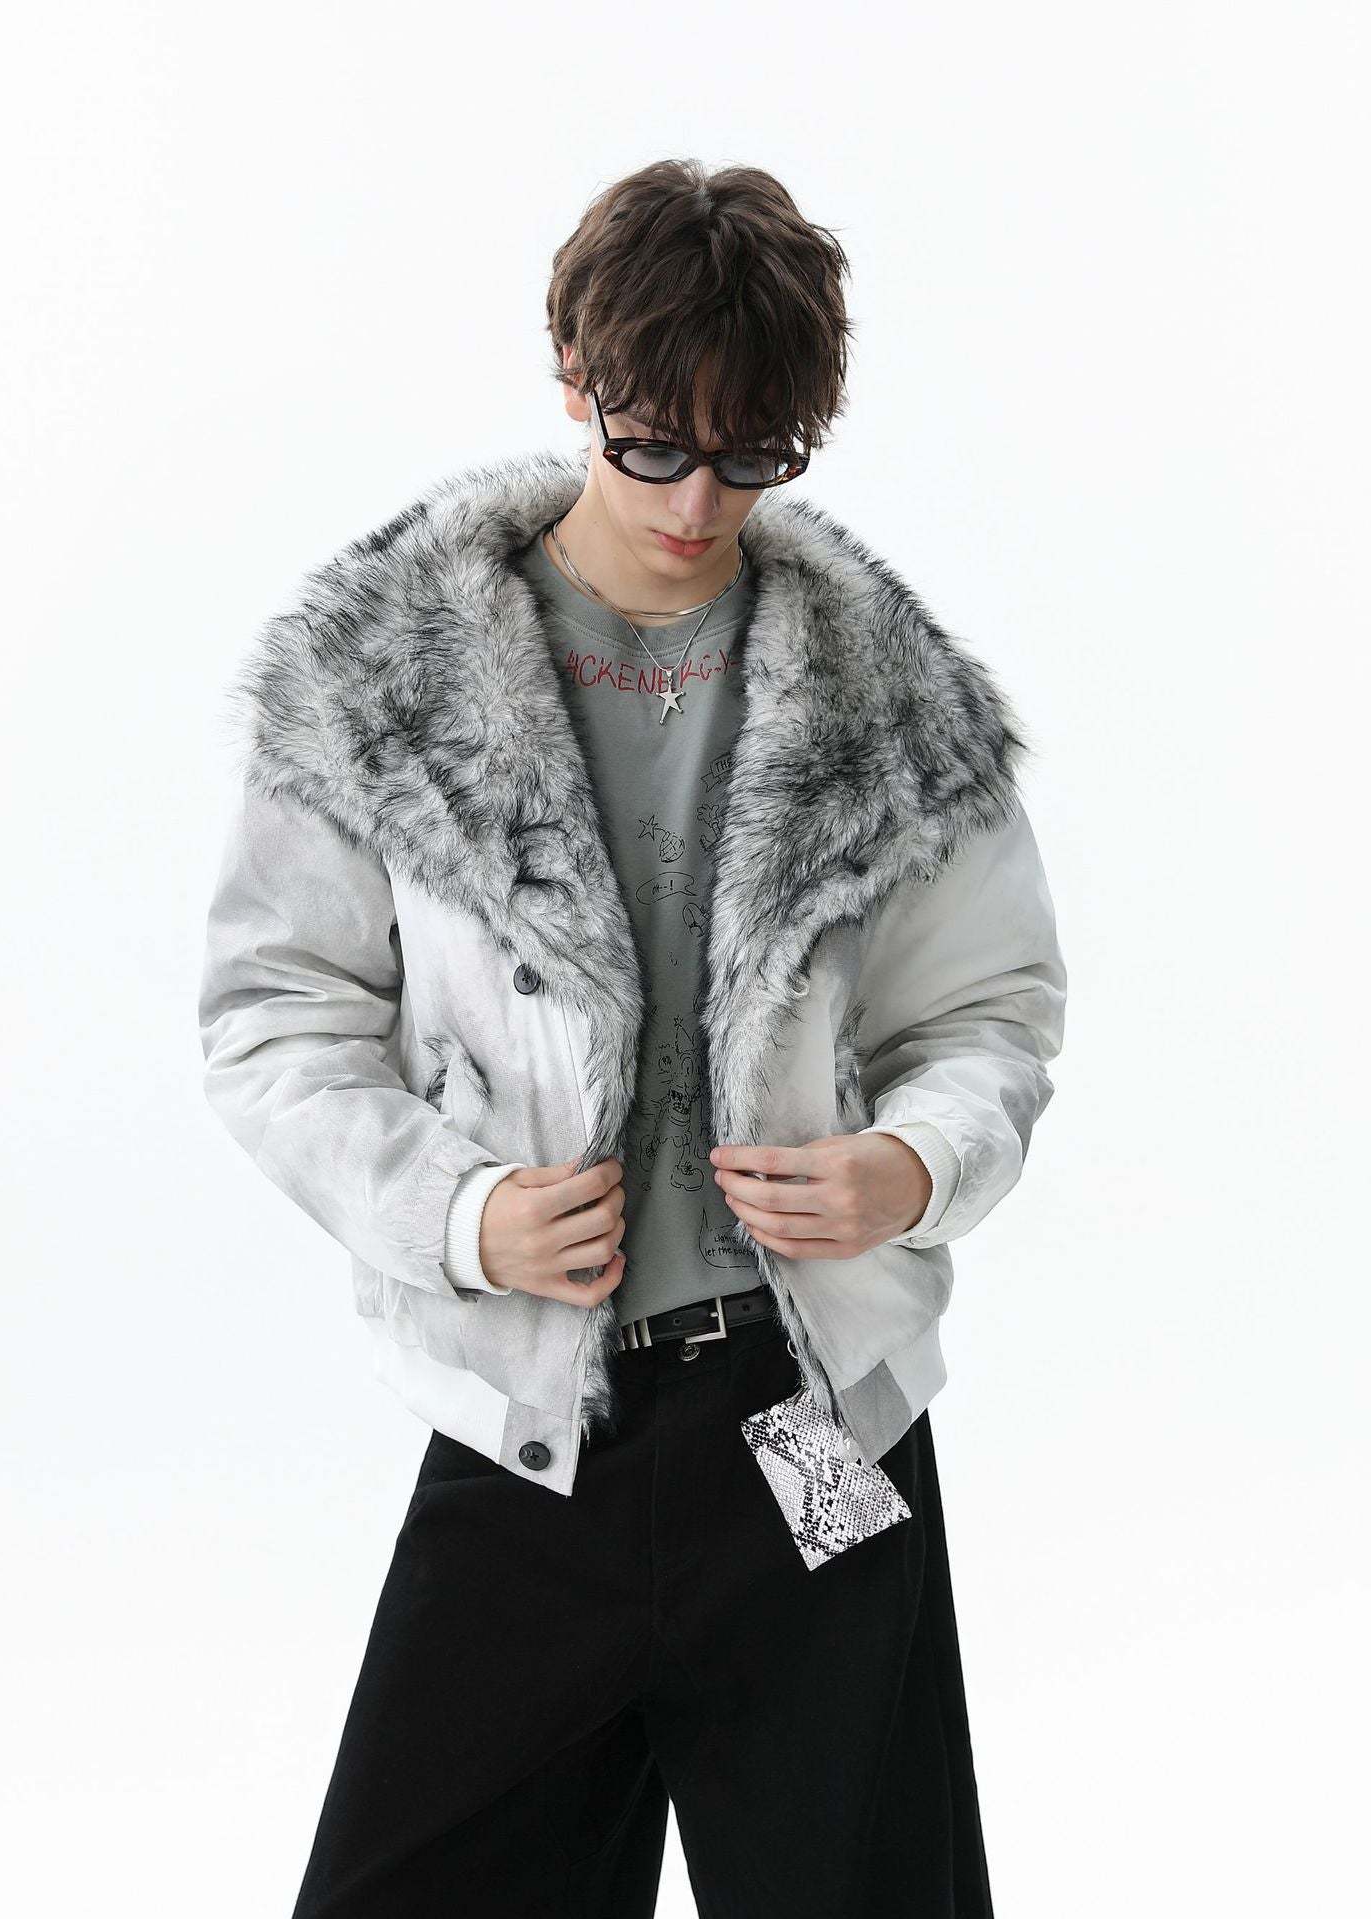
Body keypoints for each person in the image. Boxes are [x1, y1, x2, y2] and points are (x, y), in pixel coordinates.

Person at [198, 157, 1067, 1918]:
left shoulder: (887, 694)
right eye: (655, 443)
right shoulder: (386, 680)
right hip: (531, 1432)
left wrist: (912, 1168)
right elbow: (274, 1014)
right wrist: (457, 1214)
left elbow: (990, 1010)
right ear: (574, 375)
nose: (696, 501)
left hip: (812, 1423)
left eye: (753, 456)